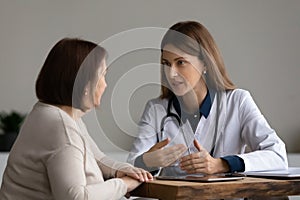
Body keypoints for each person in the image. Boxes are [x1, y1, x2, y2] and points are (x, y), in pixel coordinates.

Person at [127, 21, 288, 176]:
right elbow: (131, 166)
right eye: (166, 64)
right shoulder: (156, 109)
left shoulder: (238, 101)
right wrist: (147, 161)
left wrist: (222, 164)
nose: (171, 74)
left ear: (205, 63)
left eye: (181, 62)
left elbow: (278, 156)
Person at [0, 38, 152, 200]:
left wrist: (121, 170)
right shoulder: (61, 128)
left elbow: (97, 158)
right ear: (84, 84)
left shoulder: (51, 113)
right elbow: (75, 197)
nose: (105, 85)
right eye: (102, 75)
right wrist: (124, 184)